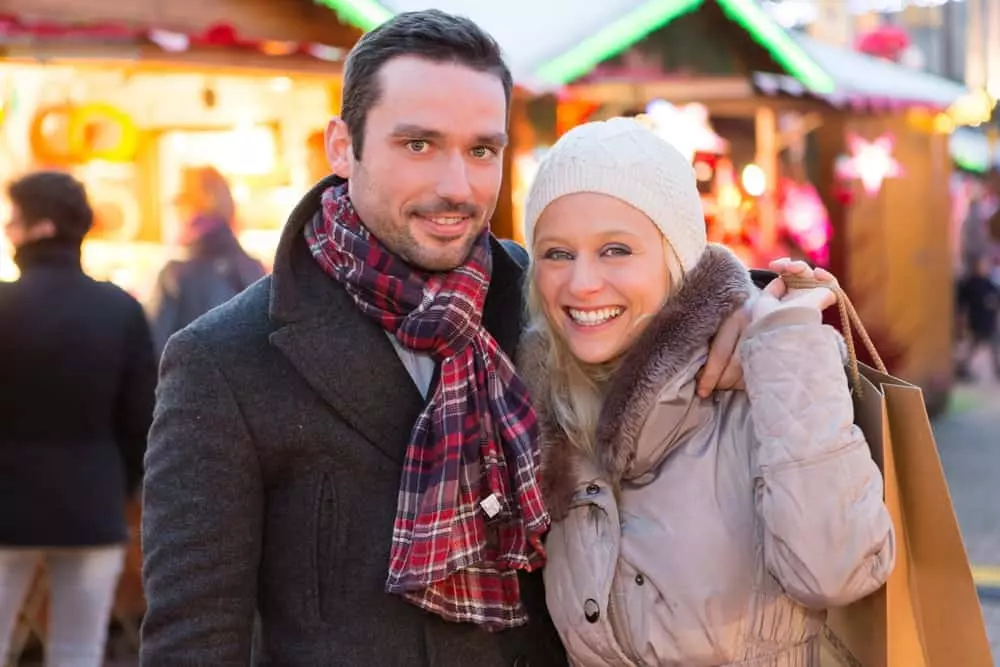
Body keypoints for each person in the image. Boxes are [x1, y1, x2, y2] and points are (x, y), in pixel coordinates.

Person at [140, 11, 760, 666]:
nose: (456, 187)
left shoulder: (548, 301)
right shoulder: (225, 359)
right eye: (419, 145)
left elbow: (681, 296)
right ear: (343, 146)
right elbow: (192, 640)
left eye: (480, 150)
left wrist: (756, 307)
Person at [517, 118, 895, 666]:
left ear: (676, 259)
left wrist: (787, 351)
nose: (581, 283)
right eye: (557, 253)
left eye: (616, 249)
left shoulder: (756, 389)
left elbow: (836, 570)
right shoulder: (546, 414)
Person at [0, 171, 157, 666]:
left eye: (12, 220)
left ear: (40, 227)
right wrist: (122, 485)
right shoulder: (119, 309)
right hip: (93, 504)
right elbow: (142, 420)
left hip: (7, 504)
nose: (7, 230)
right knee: (78, 651)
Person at [146, 165, 265, 357]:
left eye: (182, 203)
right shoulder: (254, 269)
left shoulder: (174, 275)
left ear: (200, 204)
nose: (178, 213)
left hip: (190, 384)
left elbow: (154, 352)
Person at [955, 254, 1000, 381]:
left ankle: (997, 371)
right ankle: (963, 368)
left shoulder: (990, 284)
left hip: (989, 322)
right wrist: (961, 321)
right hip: (977, 322)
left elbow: (997, 299)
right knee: (973, 347)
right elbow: (961, 303)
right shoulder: (969, 285)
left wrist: (993, 303)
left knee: (994, 349)